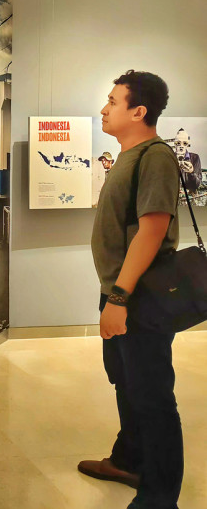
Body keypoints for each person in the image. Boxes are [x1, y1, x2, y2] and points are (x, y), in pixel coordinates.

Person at [80, 70, 182, 509]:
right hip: (119, 291)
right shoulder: (128, 154)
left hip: (138, 295)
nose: (104, 108)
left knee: (152, 395)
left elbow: (152, 230)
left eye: (112, 101)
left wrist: (119, 298)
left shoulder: (155, 156)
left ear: (139, 111)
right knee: (126, 383)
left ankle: (159, 498)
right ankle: (129, 461)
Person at [171, 128, 202, 193]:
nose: (181, 146)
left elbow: (196, 184)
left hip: (188, 196)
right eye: (178, 143)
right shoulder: (169, 158)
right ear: (175, 144)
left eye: (184, 143)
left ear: (187, 145)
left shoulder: (194, 158)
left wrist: (191, 172)